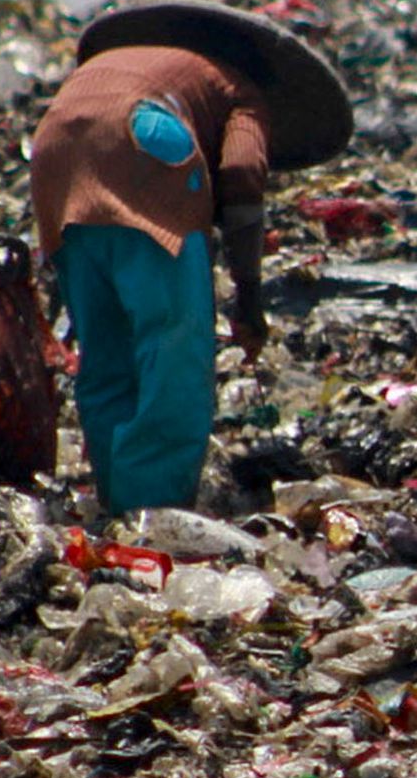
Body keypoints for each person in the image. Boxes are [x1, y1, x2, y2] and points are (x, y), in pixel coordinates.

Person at [29, 41, 273, 514]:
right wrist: (249, 300)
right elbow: (243, 170)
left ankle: (118, 501)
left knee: (105, 348)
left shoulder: (167, 63)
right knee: (173, 344)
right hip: (144, 141)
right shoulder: (243, 91)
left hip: (54, 147)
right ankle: (155, 508)